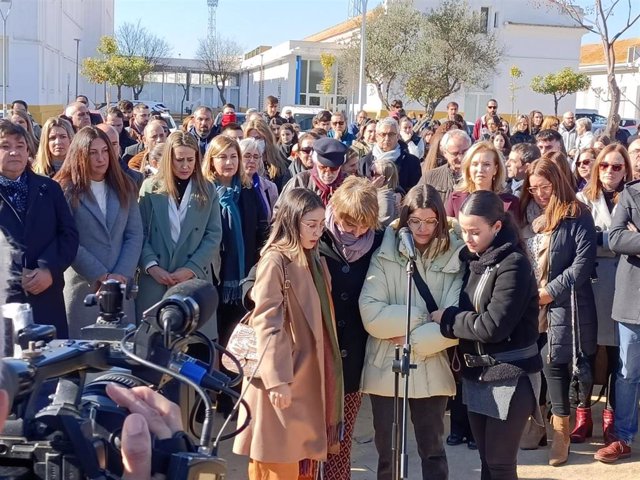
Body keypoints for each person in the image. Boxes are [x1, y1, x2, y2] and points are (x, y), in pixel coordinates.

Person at [233, 188, 343, 480]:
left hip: (305, 377)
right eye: (311, 224)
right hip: (282, 380)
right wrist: (277, 380)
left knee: (299, 464)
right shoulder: (275, 260)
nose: (318, 231)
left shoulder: (314, 258)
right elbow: (268, 322)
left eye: (322, 224)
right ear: (292, 221)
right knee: (275, 465)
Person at [433, 190, 542, 480]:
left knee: (501, 464)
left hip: (511, 376)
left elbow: (492, 327)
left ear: (496, 227)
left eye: (475, 232)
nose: (468, 238)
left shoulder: (514, 264)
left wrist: (449, 318)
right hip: (477, 376)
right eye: (464, 230)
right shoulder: (473, 260)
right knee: (486, 462)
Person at [359, 183, 464, 480]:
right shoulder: (385, 252)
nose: (422, 228)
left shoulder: (455, 255)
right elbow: (371, 313)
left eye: (430, 221)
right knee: (388, 453)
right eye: (415, 221)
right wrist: (422, 318)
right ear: (405, 219)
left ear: (440, 220)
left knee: (432, 449)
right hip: (386, 364)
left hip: (432, 365)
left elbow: (454, 321)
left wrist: (410, 338)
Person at [519, 157, 597, 466]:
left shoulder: (578, 214)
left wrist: (550, 291)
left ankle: (561, 434)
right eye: (533, 187)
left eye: (545, 187)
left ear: (559, 183)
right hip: (531, 301)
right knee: (530, 365)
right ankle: (536, 426)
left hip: (564, 302)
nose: (539, 193)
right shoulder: (529, 215)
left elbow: (582, 263)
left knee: (554, 364)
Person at [319, 177, 383, 480]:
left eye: (364, 227)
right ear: (335, 209)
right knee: (309, 442)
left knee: (340, 444)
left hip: (354, 357)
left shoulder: (381, 242)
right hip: (315, 355)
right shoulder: (314, 232)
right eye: (350, 224)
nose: (357, 233)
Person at [54, 126, 143, 338]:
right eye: (93, 153)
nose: (101, 158)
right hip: (84, 288)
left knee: (118, 361)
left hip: (120, 288)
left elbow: (134, 234)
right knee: (82, 360)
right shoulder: (64, 189)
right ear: (80, 154)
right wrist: (100, 275)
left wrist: (118, 276)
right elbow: (67, 238)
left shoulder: (125, 186)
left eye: (105, 151)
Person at [203, 135, 268, 414]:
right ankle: (210, 393)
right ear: (212, 161)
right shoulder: (205, 192)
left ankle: (232, 395)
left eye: (233, 157)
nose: (229, 163)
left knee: (235, 336)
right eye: (223, 157)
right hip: (214, 275)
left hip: (242, 277)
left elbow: (258, 231)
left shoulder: (248, 190)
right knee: (212, 338)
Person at [137, 131, 222, 336]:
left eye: (190, 160)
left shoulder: (207, 189)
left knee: (193, 345)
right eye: (179, 160)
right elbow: (140, 232)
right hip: (156, 279)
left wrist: (191, 269)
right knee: (154, 344)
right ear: (168, 160)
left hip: (193, 279)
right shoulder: (150, 188)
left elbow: (213, 235)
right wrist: (152, 266)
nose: (185, 166)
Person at [0, 121, 78, 337]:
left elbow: (68, 235)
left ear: (29, 151)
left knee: (52, 365)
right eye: (5, 146)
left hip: (47, 297)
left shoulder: (49, 188)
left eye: (21, 146)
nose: (14, 152)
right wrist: (15, 274)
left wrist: (48, 269)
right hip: (6, 300)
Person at [576, 144, 631, 445]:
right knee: (585, 349)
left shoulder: (634, 197)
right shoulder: (581, 198)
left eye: (617, 166)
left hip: (623, 282)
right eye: (604, 166)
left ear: (626, 170)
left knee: (614, 353)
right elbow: (578, 240)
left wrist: (600, 237)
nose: (610, 171)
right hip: (589, 281)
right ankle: (582, 414)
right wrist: (620, 238)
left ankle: (610, 415)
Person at [595, 172, 640, 463]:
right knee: (627, 373)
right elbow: (615, 237)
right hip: (633, 298)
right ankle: (623, 438)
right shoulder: (632, 193)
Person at [445, 141, 520, 223]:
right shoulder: (455, 199)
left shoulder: (510, 203)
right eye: (475, 164)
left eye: (486, 164)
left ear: (495, 169)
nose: (480, 170)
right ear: (468, 168)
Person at [359, 118, 422, 192]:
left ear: (398, 136)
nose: (387, 138)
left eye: (391, 134)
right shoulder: (365, 162)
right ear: (376, 136)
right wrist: (372, 189)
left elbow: (416, 193)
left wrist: (401, 195)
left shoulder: (412, 162)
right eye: (383, 134)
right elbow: (360, 195)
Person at [281, 137, 348, 206]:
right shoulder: (300, 181)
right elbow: (280, 211)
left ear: (340, 166)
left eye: (334, 168)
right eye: (322, 167)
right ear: (316, 163)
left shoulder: (349, 184)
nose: (328, 174)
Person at [421, 128, 472, 202]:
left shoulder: (477, 177)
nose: (461, 158)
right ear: (444, 153)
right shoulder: (430, 177)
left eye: (465, 152)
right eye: (455, 154)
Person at [243, 118, 291, 192]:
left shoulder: (282, 165)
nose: (254, 142)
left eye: (258, 138)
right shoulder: (241, 164)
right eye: (250, 138)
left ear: (267, 139)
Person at [239, 137, 278, 221]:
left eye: (256, 157)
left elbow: (275, 220)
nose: (252, 160)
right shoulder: (233, 186)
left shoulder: (270, 187)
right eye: (247, 156)